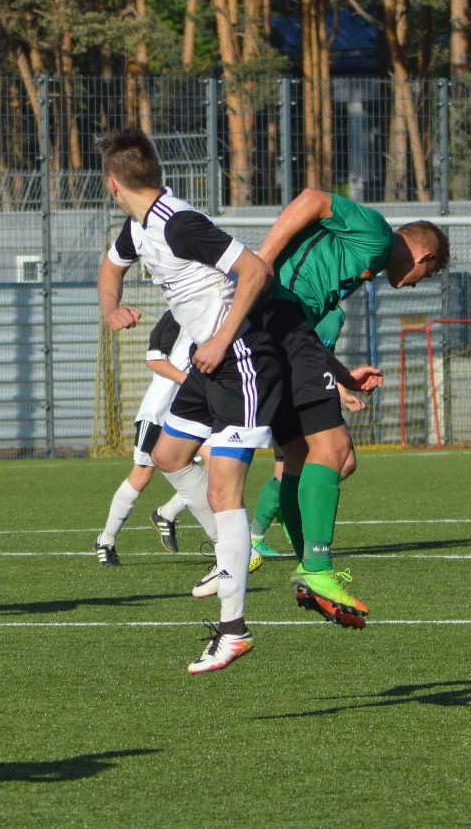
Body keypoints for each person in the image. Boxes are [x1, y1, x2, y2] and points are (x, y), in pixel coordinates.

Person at [97, 128, 281, 673]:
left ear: (112, 183)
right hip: (207, 362)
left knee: (225, 486)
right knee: (168, 457)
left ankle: (234, 629)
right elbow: (111, 269)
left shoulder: (179, 224)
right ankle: (230, 555)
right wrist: (112, 307)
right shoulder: (138, 226)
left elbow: (255, 270)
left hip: (240, 357)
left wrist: (222, 338)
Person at [254, 188, 449, 627]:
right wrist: (263, 257)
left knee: (299, 456)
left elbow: (309, 329)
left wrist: (342, 375)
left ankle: (311, 570)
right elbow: (312, 198)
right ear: (424, 257)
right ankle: (317, 569)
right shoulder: (378, 236)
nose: (417, 284)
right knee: (337, 449)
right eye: (427, 275)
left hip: (276, 328)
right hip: (281, 315)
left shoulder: (364, 262)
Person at [250, 305, 364, 557]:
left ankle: (294, 511)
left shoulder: (337, 313)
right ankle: (256, 536)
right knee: (289, 468)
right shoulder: (301, 304)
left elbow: (321, 357)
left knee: (346, 463)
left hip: (319, 389)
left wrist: (341, 388)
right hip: (291, 390)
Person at [94, 308, 192, 566]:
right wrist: (190, 382)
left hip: (195, 411)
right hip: (160, 411)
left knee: (217, 469)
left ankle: (167, 514)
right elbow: (155, 360)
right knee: (142, 474)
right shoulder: (177, 313)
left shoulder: (220, 315)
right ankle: (106, 540)